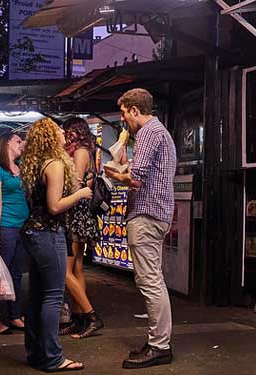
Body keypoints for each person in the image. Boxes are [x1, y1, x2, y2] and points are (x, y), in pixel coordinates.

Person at [104, 88, 177, 369]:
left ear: (135, 110)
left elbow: (135, 179)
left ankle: (160, 346)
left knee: (149, 281)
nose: (124, 121)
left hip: (146, 214)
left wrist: (112, 172)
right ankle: (159, 341)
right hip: (157, 213)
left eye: (124, 113)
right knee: (153, 279)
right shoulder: (160, 133)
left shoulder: (148, 132)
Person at [20, 118, 90, 372]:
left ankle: (36, 353)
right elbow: (54, 206)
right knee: (53, 297)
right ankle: (52, 357)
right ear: (50, 136)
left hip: (33, 232)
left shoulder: (38, 163)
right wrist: (80, 194)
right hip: (48, 233)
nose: (64, 132)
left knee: (37, 296)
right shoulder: (56, 164)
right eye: (59, 129)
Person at [58, 117, 103, 339]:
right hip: (79, 212)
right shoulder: (84, 150)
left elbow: (74, 184)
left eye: (67, 131)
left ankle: (90, 316)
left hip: (75, 212)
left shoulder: (81, 152)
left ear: (75, 131)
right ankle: (79, 318)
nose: (65, 135)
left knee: (65, 270)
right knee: (76, 267)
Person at [0, 132, 29, 334]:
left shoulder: (20, 169)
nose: (21, 144)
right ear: (6, 144)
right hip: (6, 226)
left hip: (22, 226)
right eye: (18, 141)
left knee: (16, 273)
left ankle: (14, 315)